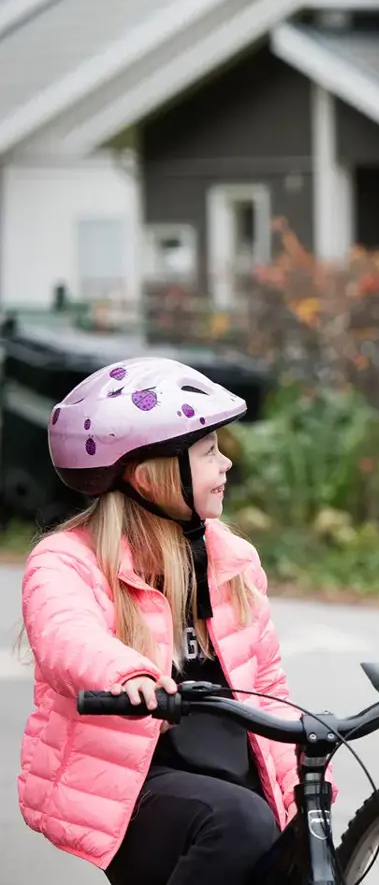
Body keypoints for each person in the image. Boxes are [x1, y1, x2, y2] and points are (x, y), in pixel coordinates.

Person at [18, 357, 315, 885]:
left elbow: (266, 687)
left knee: (304, 842)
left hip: (231, 772)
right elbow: (66, 635)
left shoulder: (233, 559)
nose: (226, 464)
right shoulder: (67, 560)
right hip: (138, 783)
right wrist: (127, 674)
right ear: (149, 477)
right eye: (209, 452)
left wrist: (301, 781)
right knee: (238, 823)